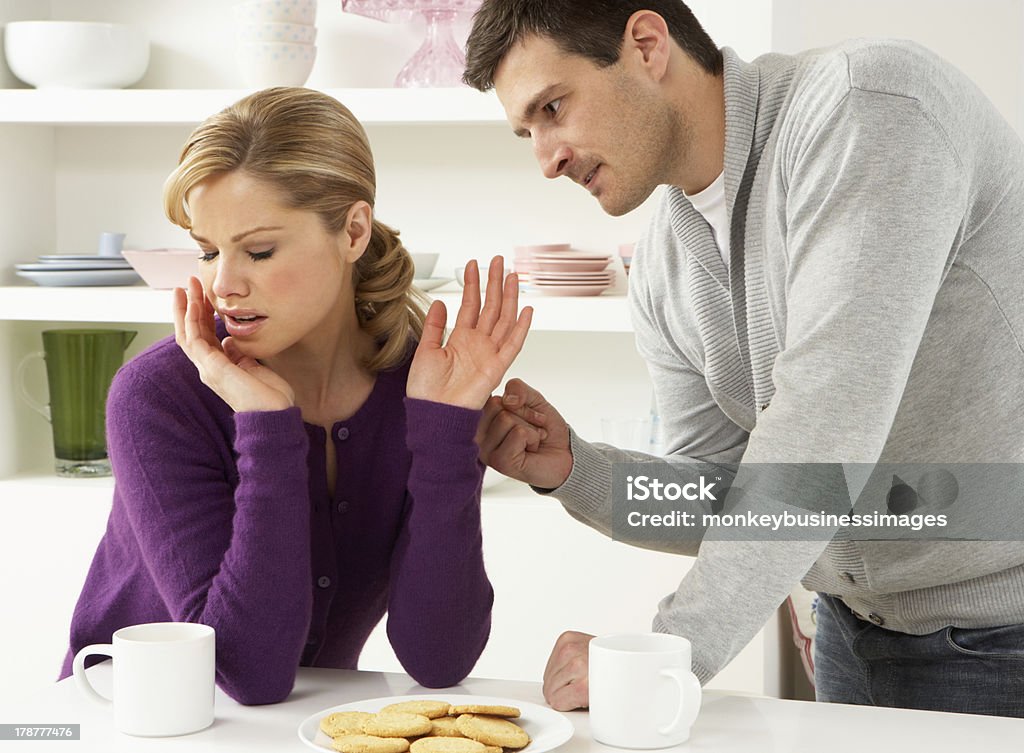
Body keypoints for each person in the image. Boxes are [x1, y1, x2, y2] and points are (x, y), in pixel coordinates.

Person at [465, 0, 1024, 717]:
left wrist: (664, 654)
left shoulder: (868, 108)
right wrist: (578, 469)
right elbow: (729, 496)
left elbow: (822, 432)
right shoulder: (665, 261)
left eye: (553, 107)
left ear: (646, 44)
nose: (547, 158)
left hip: (1002, 634)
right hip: (851, 636)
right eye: (526, 132)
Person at [59, 87, 532, 705]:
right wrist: (266, 426)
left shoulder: (424, 384)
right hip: (124, 723)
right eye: (207, 251)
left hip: (293, 731)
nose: (223, 284)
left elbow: (438, 659)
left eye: (258, 250)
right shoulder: (159, 396)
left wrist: (447, 435)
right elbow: (244, 671)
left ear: (354, 231)